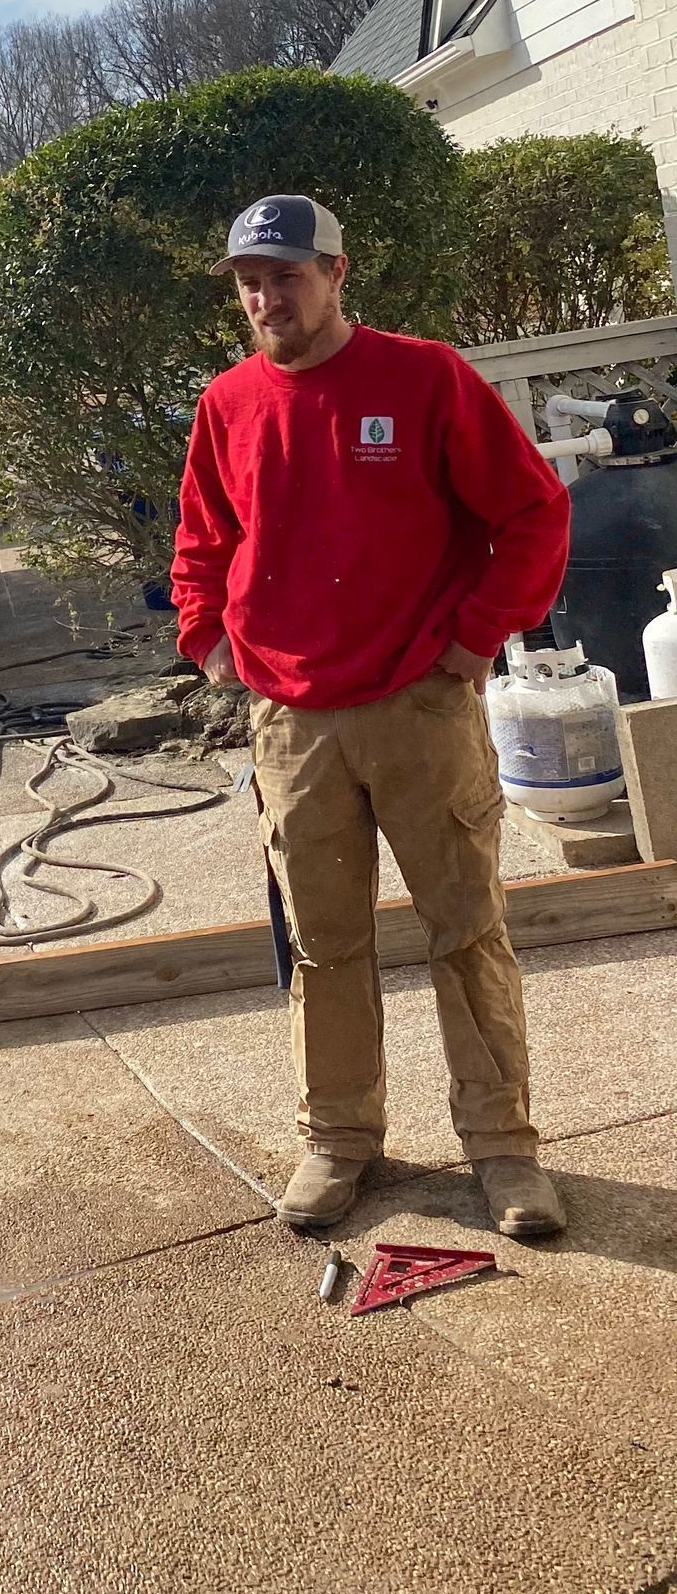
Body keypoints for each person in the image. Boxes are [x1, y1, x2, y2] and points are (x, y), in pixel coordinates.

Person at [170, 194, 571, 1239]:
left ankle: (503, 1150)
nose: (266, 297)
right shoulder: (228, 404)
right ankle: (339, 1139)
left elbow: (532, 510)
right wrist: (206, 632)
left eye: (285, 275)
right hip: (293, 723)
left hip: (418, 706)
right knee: (324, 943)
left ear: (337, 274)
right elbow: (202, 537)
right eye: (250, 282)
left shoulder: (423, 377)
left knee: (466, 931)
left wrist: (478, 635)